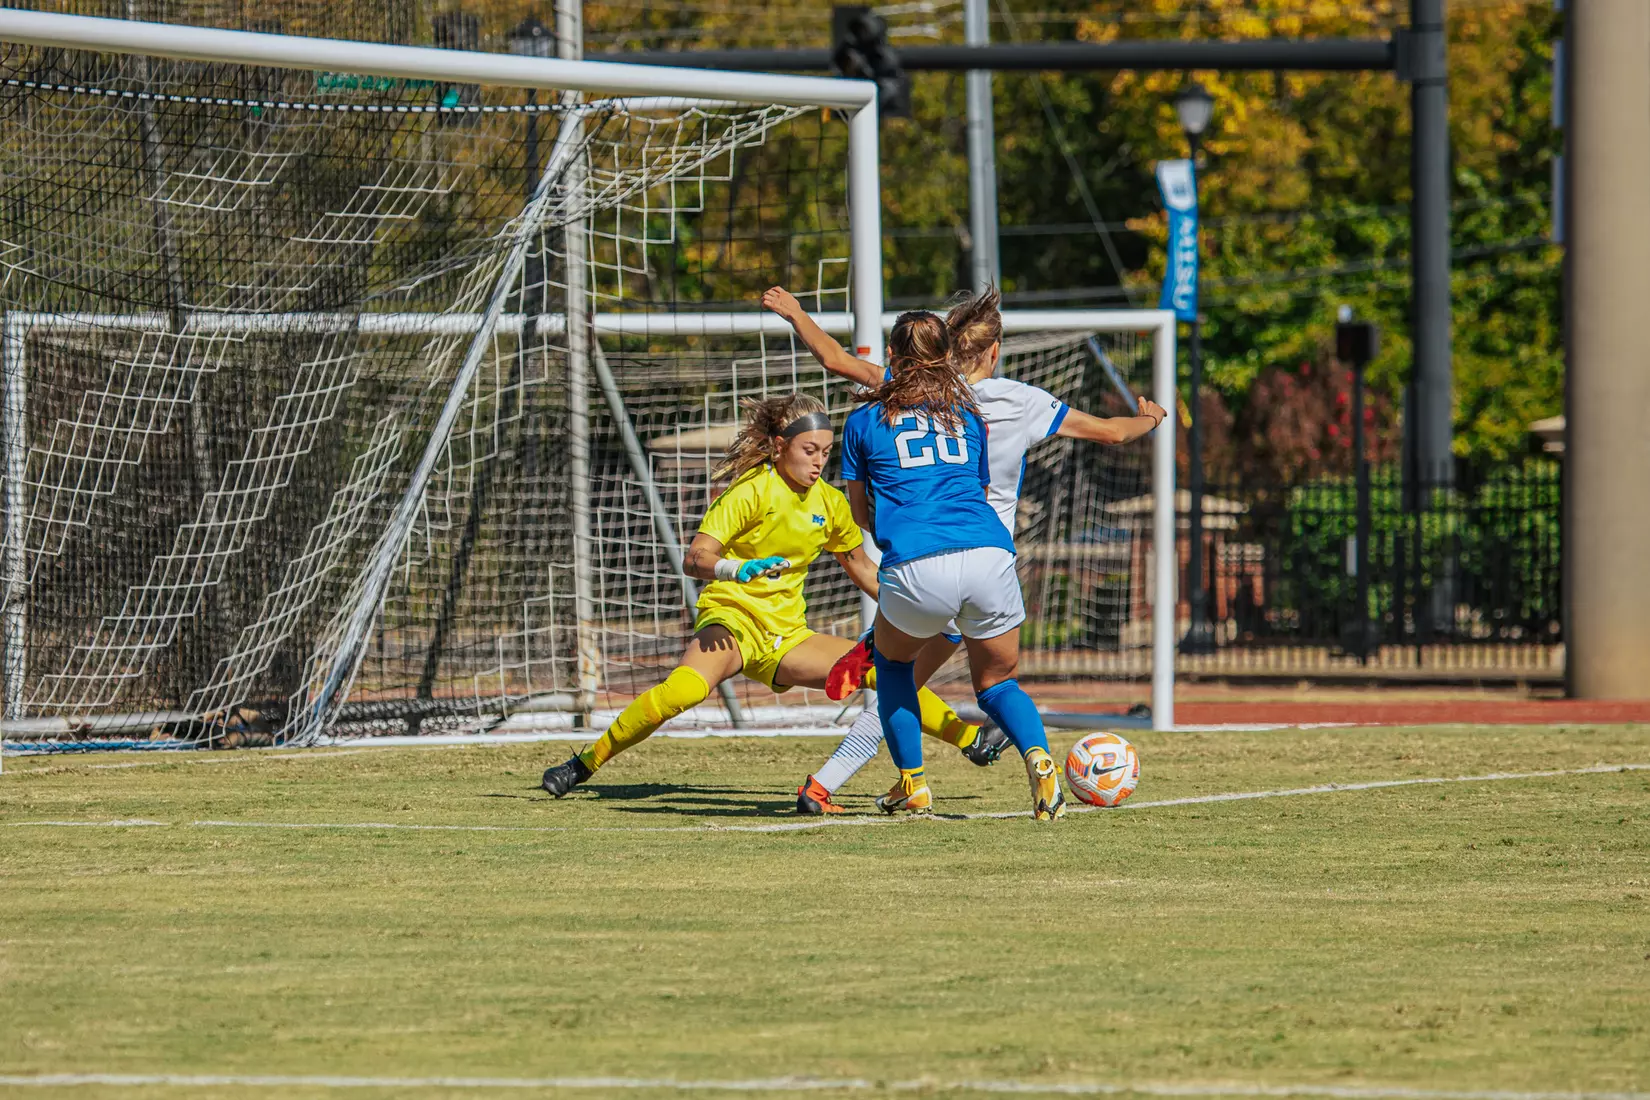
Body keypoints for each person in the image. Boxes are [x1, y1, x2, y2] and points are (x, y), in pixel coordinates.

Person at [761, 286, 1166, 818]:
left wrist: (795, 312)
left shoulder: (892, 395)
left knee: (894, 672)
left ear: (902, 355)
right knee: (994, 681)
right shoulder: (1005, 404)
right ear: (992, 353)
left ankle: (890, 782)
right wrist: (1152, 418)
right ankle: (1035, 759)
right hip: (991, 559)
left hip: (921, 558)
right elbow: (1113, 433)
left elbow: (836, 360)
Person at [539, 392, 1002, 799]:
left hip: (787, 636)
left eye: (825, 451)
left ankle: (971, 741)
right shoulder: (750, 492)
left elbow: (862, 568)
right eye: (808, 450)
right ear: (780, 448)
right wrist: (739, 569)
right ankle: (584, 764)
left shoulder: (831, 503)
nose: (819, 462)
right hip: (733, 621)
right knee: (683, 691)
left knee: (885, 671)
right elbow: (695, 558)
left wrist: (923, 607)